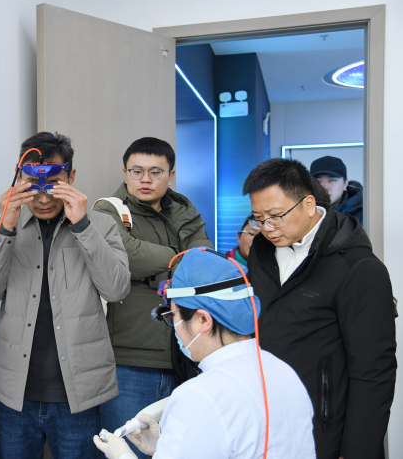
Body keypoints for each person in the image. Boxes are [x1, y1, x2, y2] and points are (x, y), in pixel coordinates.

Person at [0, 132, 131, 459]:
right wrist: (6, 228)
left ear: (71, 176)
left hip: (79, 397)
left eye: (53, 185)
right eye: (33, 184)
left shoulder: (101, 226)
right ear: (19, 177)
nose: (43, 198)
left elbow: (116, 290)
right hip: (13, 396)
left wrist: (82, 225)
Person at [93, 248, 316, 459]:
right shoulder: (284, 372)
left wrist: (122, 455)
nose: (174, 328)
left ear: (203, 320)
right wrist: (165, 448)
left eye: (173, 317)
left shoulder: (199, 396)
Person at [243, 158, 396, 459]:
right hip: (269, 425)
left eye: (275, 216)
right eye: (258, 219)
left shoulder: (357, 267)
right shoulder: (262, 251)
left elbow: (374, 372)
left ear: (309, 204)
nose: (267, 228)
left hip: (325, 432)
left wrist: (356, 452)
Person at [92, 137, 212, 456]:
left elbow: (202, 263)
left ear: (170, 175)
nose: (145, 179)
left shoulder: (184, 210)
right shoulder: (108, 209)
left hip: (184, 357)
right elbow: (127, 255)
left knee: (177, 452)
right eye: (137, 171)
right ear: (125, 173)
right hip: (129, 360)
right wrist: (177, 257)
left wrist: (154, 268)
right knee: (124, 451)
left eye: (155, 172)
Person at [310, 156, 363, 223]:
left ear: (345, 183)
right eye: (318, 181)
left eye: (332, 180)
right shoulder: (303, 212)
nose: (324, 187)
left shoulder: (365, 213)